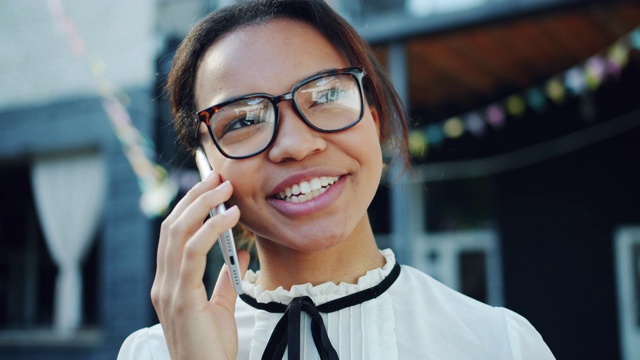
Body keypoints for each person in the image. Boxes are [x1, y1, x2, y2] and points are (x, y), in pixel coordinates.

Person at [118, 0, 555, 359]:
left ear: (374, 117)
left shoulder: (500, 344)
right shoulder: (152, 354)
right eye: (244, 120)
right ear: (206, 166)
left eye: (327, 95)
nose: (295, 144)